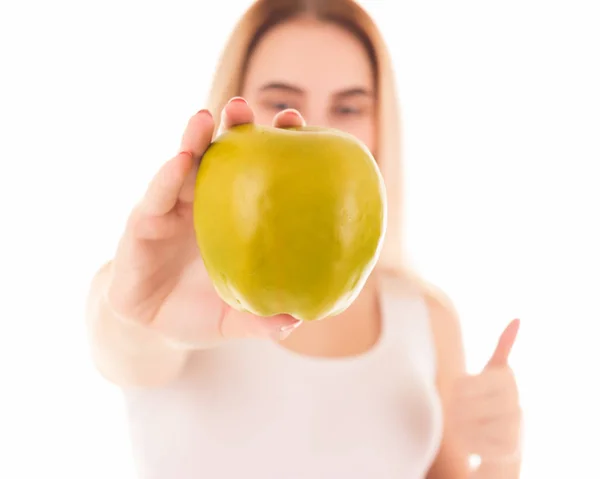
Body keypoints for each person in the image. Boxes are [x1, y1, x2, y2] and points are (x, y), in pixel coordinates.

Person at [85, 0, 522, 477]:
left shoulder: (426, 318)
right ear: (236, 106)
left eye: (350, 106)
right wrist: (139, 315)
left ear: (381, 127)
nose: (317, 125)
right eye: (280, 100)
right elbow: (122, 345)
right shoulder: (167, 284)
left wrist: (501, 458)